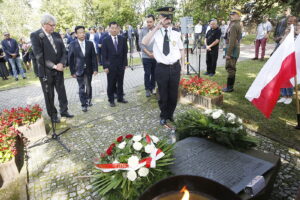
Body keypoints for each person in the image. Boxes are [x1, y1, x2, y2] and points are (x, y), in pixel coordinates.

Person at [142, 6, 185, 125]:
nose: (167, 20)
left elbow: (181, 50)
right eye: (165, 17)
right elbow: (144, 42)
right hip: (162, 68)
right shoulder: (155, 33)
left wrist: (183, 66)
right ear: (159, 18)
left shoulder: (176, 33)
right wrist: (156, 27)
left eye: (169, 17)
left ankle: (170, 114)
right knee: (163, 94)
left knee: (173, 94)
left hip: (175, 67)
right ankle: (163, 115)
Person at [30, 14, 74, 123]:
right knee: (49, 95)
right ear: (44, 25)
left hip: (59, 69)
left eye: (55, 25)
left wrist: (61, 63)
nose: (54, 27)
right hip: (46, 71)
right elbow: (39, 56)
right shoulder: (35, 35)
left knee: (62, 92)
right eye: (52, 25)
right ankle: (53, 115)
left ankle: (64, 111)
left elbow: (64, 51)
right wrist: (54, 66)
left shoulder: (56, 35)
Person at [68, 26, 98, 112]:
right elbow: (70, 59)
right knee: (81, 87)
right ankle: (83, 104)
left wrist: (95, 69)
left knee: (88, 85)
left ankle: (89, 99)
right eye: (80, 33)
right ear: (76, 34)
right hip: (78, 70)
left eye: (83, 32)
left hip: (89, 69)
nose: (82, 34)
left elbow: (93, 57)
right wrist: (72, 72)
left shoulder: (90, 43)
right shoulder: (72, 45)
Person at [102, 21, 128, 107]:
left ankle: (120, 98)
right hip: (110, 66)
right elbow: (104, 55)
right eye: (112, 28)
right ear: (109, 29)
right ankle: (111, 100)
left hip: (121, 66)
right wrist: (105, 66)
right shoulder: (105, 40)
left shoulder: (123, 39)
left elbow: (125, 52)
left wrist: (125, 64)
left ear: (118, 29)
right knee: (111, 83)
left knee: (120, 82)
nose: (114, 30)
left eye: (115, 28)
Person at [222, 9, 242, 93]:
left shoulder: (234, 25)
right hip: (232, 48)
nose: (232, 16)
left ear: (238, 15)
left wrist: (228, 53)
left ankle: (230, 87)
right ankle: (229, 86)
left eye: (234, 14)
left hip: (232, 49)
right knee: (230, 67)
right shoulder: (233, 24)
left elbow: (232, 40)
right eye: (231, 14)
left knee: (230, 67)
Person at [139, 14, 157, 97]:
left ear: (154, 21)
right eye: (147, 22)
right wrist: (148, 53)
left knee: (154, 73)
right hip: (146, 56)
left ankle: (153, 87)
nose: (149, 23)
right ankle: (147, 89)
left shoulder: (157, 30)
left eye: (150, 22)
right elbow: (141, 44)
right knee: (147, 73)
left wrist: (154, 53)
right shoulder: (143, 31)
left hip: (156, 56)